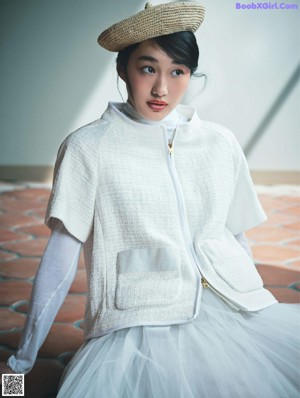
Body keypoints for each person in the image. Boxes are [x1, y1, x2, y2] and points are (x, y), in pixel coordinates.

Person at [1, 2, 299, 397]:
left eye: (178, 71)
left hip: (229, 306)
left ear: (191, 74)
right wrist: (18, 366)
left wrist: (254, 303)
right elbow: (60, 258)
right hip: (136, 319)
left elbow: (233, 236)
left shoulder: (219, 142)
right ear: (124, 69)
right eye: (148, 68)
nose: (162, 89)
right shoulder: (88, 148)